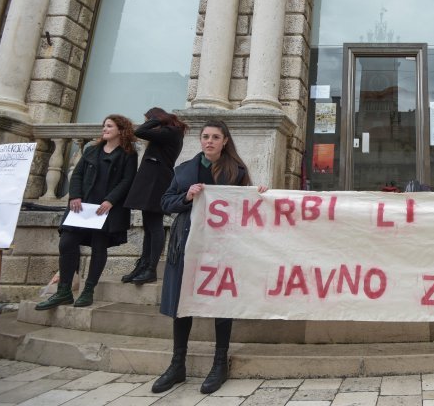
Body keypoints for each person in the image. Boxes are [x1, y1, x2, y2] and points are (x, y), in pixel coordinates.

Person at [152, 120, 268, 395]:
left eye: (215, 137)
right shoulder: (183, 172)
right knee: (183, 302)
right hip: (188, 243)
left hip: (223, 246)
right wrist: (187, 197)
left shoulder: (237, 172)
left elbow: (245, 205)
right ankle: (177, 363)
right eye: (205, 136)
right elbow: (165, 203)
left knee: (221, 302)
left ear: (225, 141)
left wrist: (260, 195)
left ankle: (219, 362)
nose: (209, 141)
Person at [36, 115, 138, 310]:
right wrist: (74, 195)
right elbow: (78, 174)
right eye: (104, 126)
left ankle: (88, 290)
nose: (104, 129)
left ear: (120, 130)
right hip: (81, 207)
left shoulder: (128, 154)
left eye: (109, 126)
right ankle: (63, 291)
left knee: (99, 246)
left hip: (106, 209)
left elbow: (127, 180)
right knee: (67, 242)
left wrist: (110, 200)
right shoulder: (92, 150)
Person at [121, 107, 187, 284]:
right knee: (149, 226)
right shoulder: (169, 132)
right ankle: (143, 265)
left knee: (155, 226)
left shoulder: (170, 131)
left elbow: (140, 131)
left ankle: (151, 269)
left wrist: (156, 119)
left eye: (147, 119)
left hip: (156, 182)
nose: (147, 123)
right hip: (152, 181)